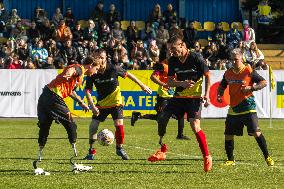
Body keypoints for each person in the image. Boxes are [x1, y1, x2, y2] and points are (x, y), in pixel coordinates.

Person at [148, 37, 212, 172]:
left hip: (194, 97)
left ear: (182, 45)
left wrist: (207, 94)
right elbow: (170, 82)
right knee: (162, 117)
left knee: (195, 126)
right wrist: (181, 84)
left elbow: (207, 75)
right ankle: (162, 149)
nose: (172, 52)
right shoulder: (172, 61)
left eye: (174, 49)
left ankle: (207, 156)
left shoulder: (196, 57)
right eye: (170, 49)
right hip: (178, 97)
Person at [83, 49, 152, 160]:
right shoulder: (92, 72)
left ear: (105, 58)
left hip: (116, 102)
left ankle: (119, 148)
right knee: (93, 126)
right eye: (97, 57)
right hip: (101, 104)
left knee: (119, 125)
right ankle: (91, 151)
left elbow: (129, 75)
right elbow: (87, 91)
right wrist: (93, 106)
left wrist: (143, 86)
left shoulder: (113, 68)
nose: (100, 59)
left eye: (102, 57)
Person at [35, 56, 101, 164]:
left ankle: (40, 154)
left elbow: (70, 91)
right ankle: (74, 154)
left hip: (45, 96)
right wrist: (68, 74)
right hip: (54, 96)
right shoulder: (79, 68)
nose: (95, 72)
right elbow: (72, 70)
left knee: (45, 125)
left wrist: (81, 102)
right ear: (90, 66)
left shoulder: (80, 77)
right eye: (96, 69)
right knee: (71, 123)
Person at [217, 48, 274, 166]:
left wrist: (251, 88)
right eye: (231, 60)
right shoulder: (228, 73)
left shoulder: (248, 70)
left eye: (236, 59)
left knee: (256, 132)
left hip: (248, 106)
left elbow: (263, 82)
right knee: (228, 134)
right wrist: (219, 95)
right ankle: (230, 160)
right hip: (233, 108)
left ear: (242, 58)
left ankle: (267, 157)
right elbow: (222, 86)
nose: (233, 62)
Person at [131, 58, 190, 140]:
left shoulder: (176, 67)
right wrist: (163, 84)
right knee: (160, 117)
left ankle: (180, 135)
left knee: (180, 114)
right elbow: (152, 77)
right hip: (163, 97)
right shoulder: (162, 66)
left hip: (172, 96)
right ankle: (138, 115)